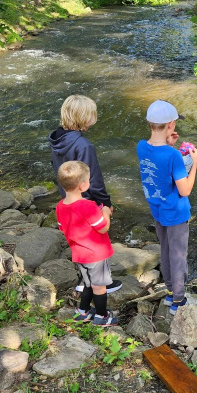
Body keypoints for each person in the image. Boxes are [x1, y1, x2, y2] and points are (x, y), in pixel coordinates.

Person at [50, 95, 121, 294]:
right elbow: (95, 178)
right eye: (92, 116)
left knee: (78, 239)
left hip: (67, 197)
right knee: (96, 243)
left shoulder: (57, 139)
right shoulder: (84, 146)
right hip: (87, 200)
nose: (93, 120)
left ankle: (84, 280)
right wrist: (105, 204)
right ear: (83, 118)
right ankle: (101, 283)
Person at [137, 100, 197, 314]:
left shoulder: (141, 146)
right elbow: (185, 190)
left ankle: (171, 292)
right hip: (176, 212)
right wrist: (195, 163)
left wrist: (169, 145)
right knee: (178, 255)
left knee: (165, 250)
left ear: (149, 123)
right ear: (171, 124)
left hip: (158, 210)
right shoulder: (173, 156)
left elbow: (158, 165)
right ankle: (178, 302)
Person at [55, 161, 118, 326]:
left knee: (88, 284)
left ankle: (82, 312)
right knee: (99, 287)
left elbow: (63, 229)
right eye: (89, 180)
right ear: (82, 186)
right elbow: (103, 228)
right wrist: (105, 212)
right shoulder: (88, 206)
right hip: (96, 254)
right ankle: (102, 316)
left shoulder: (60, 206)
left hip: (79, 254)